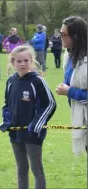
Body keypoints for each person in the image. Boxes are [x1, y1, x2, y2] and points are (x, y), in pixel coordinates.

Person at [0, 45, 56, 189]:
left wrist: (36, 124)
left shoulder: (37, 81)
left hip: (33, 133)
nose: (23, 64)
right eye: (19, 61)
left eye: (26, 60)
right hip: (15, 132)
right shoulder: (10, 81)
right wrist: (6, 121)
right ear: (13, 62)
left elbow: (50, 104)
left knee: (37, 170)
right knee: (21, 169)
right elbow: (7, 105)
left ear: (31, 61)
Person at [55, 16, 87, 156]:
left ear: (75, 36)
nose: (59, 37)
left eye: (63, 34)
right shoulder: (68, 56)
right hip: (82, 117)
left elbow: (72, 89)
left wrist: (70, 91)